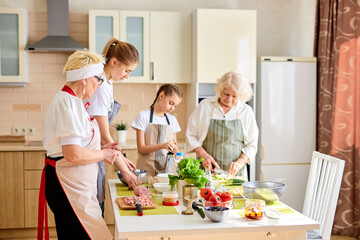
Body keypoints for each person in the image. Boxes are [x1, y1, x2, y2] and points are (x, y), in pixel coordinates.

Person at [38, 50, 136, 240]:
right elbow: (72, 154)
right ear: (85, 78)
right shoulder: (68, 103)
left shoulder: (74, 102)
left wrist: (100, 150)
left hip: (76, 186)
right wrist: (102, 156)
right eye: (98, 80)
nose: (98, 86)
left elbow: (76, 146)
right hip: (68, 186)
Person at [84, 37, 140, 214]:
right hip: (87, 155)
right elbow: (104, 138)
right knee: (91, 215)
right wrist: (124, 170)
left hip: (94, 154)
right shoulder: (100, 86)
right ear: (114, 62)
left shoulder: (107, 84)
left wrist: (121, 159)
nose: (127, 76)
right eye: (126, 70)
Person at [186, 71, 259, 180]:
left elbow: (252, 144)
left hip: (235, 176)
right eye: (226, 94)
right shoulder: (205, 106)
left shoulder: (246, 111)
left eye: (234, 96)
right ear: (220, 90)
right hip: (207, 173)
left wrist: (240, 161)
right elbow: (191, 135)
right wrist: (203, 155)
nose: (229, 99)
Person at [131, 84, 183, 176]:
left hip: (166, 172)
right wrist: (162, 145)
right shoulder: (143, 116)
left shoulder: (172, 120)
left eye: (175, 106)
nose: (172, 108)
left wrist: (181, 162)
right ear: (161, 95)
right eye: (171, 103)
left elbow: (175, 146)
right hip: (146, 171)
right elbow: (141, 149)